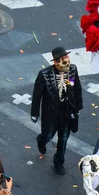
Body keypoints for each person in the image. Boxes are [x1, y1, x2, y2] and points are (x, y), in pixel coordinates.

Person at [31, 46, 83, 175]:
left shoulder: (72, 69)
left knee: (63, 137)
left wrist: (77, 106)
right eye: (61, 59)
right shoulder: (44, 75)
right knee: (48, 135)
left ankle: (59, 162)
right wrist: (35, 113)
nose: (65, 61)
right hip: (51, 112)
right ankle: (41, 140)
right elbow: (37, 95)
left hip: (67, 110)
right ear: (55, 62)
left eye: (66, 57)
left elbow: (76, 88)